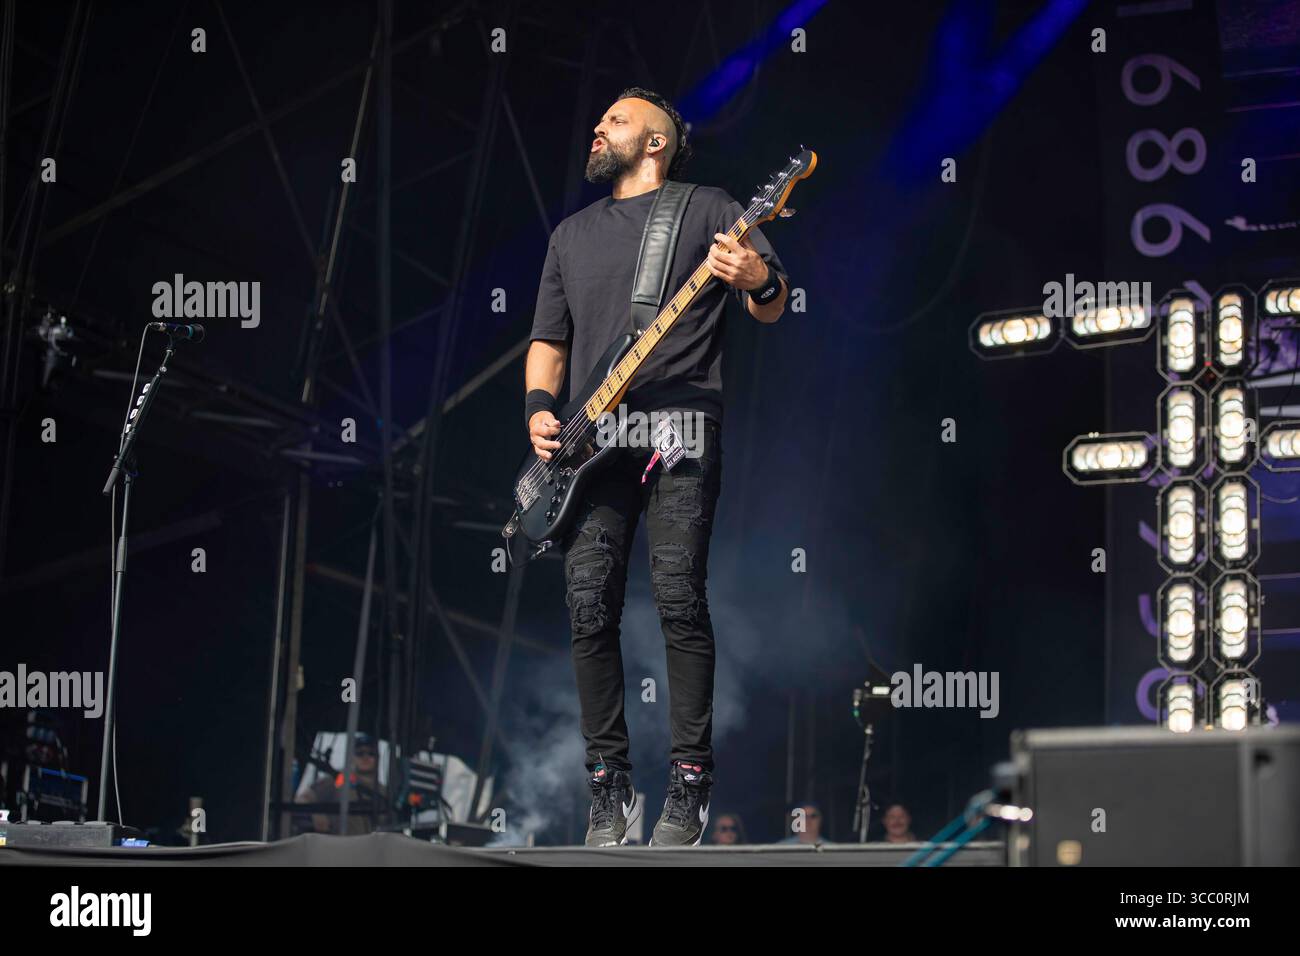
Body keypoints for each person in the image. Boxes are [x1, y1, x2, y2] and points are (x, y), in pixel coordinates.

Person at [525, 88, 790, 848]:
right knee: (588, 605)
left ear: (656, 142)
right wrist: (541, 409)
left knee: (676, 593)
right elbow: (549, 342)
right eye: (601, 114)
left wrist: (756, 280)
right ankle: (608, 790)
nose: (600, 124)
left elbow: (772, 302)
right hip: (590, 437)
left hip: (679, 421)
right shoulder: (570, 236)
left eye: (617, 117)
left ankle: (689, 784)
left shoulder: (708, 207)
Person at [294, 733, 386, 835]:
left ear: (378, 758)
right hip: (338, 847)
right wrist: (315, 813)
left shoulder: (384, 792)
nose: (365, 757)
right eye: (360, 753)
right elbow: (301, 800)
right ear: (352, 757)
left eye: (371, 754)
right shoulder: (340, 780)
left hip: (373, 848)